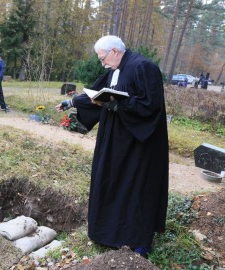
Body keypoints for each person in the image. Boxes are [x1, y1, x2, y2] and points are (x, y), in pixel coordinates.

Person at [56, 35, 169, 258]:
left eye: (103, 58)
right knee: (110, 180)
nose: (102, 63)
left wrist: (119, 105)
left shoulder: (143, 67)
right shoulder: (114, 69)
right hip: (113, 141)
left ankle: (138, 241)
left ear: (115, 51)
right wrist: (71, 102)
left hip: (138, 145)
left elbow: (151, 106)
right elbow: (96, 93)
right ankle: (109, 233)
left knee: (135, 188)